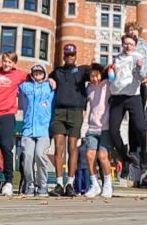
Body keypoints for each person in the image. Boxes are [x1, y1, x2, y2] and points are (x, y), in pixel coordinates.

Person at [0, 52, 29, 197]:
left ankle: (8, 182)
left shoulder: (19, 75)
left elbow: (36, 76)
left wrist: (50, 80)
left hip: (7, 115)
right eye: (5, 61)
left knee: (7, 147)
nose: (6, 64)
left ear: (14, 64)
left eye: (10, 62)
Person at [108, 32, 147, 185]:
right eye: (126, 44)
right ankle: (124, 156)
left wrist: (139, 69)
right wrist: (110, 72)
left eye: (131, 44)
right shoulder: (117, 58)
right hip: (117, 97)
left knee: (140, 128)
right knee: (113, 131)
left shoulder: (138, 57)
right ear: (122, 44)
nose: (128, 46)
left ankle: (144, 155)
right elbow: (112, 77)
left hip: (133, 96)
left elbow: (142, 77)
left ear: (135, 46)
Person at [50, 43, 87, 197]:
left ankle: (70, 183)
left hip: (76, 112)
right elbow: (44, 77)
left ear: (75, 56)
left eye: (72, 55)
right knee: (58, 147)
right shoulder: (57, 72)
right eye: (67, 55)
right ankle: (59, 183)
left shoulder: (82, 71)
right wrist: (49, 80)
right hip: (59, 112)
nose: (70, 57)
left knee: (73, 147)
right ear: (64, 56)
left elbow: (99, 72)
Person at [20, 64, 56, 196]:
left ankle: (43, 184)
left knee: (40, 155)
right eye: (35, 71)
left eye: (40, 72)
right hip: (28, 129)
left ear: (44, 74)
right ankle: (29, 183)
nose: (38, 73)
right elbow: (12, 86)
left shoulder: (50, 87)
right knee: (28, 156)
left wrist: (51, 80)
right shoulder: (25, 86)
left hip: (43, 129)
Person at [83, 63, 114, 198]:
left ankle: (107, 184)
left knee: (103, 157)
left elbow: (112, 77)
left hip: (105, 127)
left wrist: (110, 68)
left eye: (97, 75)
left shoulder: (107, 84)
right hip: (92, 127)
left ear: (101, 75)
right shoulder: (88, 88)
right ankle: (94, 184)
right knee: (89, 156)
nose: (95, 79)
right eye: (92, 76)